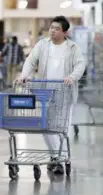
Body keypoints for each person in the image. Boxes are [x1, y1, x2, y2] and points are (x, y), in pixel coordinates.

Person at [15, 16, 86, 174]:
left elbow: (80, 65)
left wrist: (72, 77)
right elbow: (31, 61)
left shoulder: (73, 48)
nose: (53, 31)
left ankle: (61, 159)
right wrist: (24, 75)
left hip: (65, 92)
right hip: (46, 92)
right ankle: (56, 157)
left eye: (57, 28)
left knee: (63, 129)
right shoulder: (42, 45)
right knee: (45, 126)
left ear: (64, 32)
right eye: (51, 27)